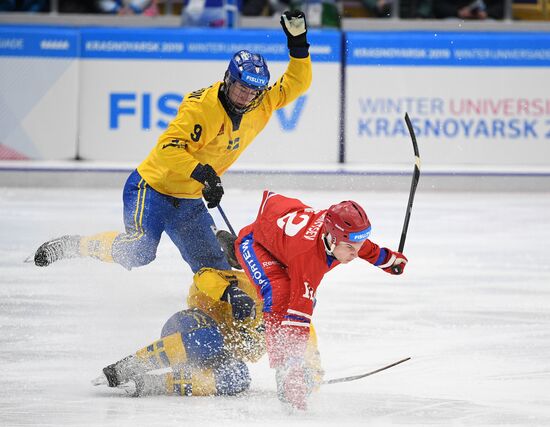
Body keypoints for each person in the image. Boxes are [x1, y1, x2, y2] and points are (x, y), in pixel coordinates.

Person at [33, 10, 312, 275]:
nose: (245, 97)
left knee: (215, 268)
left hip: (188, 199)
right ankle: (75, 245)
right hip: (152, 188)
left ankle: (219, 298)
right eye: (241, 88)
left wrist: (298, 45)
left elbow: (296, 84)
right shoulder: (201, 108)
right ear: (228, 79)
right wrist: (204, 173)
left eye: (253, 92)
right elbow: (167, 149)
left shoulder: (260, 104)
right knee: (138, 251)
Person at [229, 190, 408, 410]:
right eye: (350, 248)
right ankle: (283, 370)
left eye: (357, 246)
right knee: (281, 295)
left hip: (286, 249)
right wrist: (292, 368)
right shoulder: (309, 258)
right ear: (331, 239)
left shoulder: (342, 238)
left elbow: (364, 247)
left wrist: (389, 261)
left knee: (300, 296)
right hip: (256, 245)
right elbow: (298, 316)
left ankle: (291, 364)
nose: (355, 253)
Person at [92, 267, 323, 400]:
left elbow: (314, 368)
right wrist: (229, 293)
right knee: (210, 339)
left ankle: (153, 384)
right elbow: (202, 276)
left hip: (215, 357)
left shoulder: (299, 329)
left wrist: (306, 381)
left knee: (238, 378)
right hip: (189, 327)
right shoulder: (252, 284)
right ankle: (124, 369)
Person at [433, 0, 504, 20]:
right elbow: (439, 5)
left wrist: (487, 13)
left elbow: (503, 6)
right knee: (450, 22)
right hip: (456, 18)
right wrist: (458, 12)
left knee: (491, 24)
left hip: (485, 18)